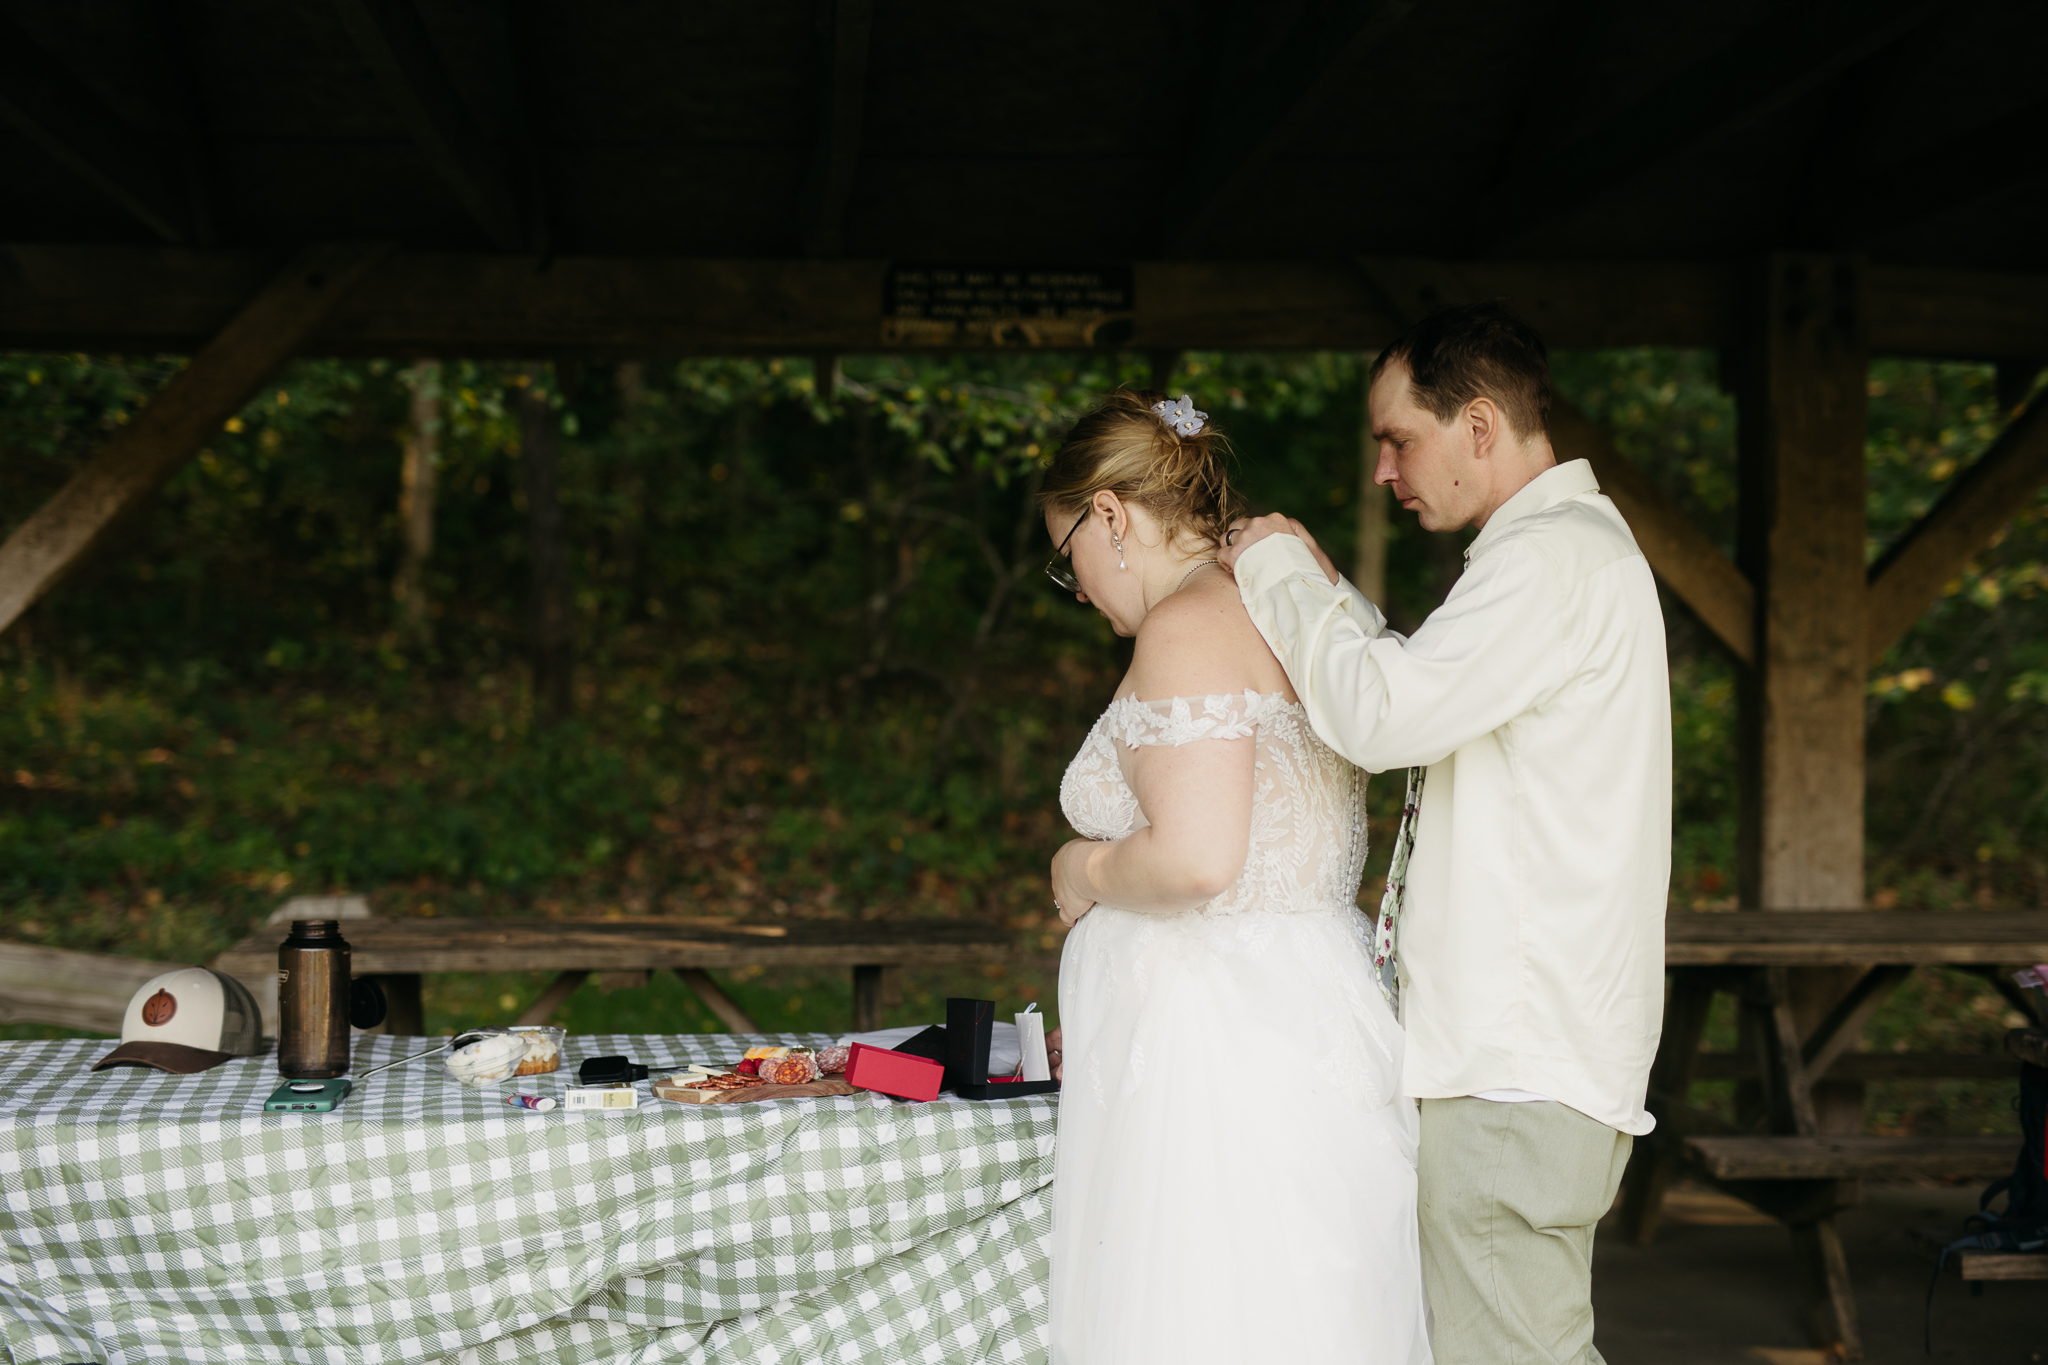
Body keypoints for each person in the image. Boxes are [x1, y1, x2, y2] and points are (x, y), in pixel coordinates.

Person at [1217, 302, 1671, 1365]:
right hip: (1522, 1051)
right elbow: (1424, 697)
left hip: (1512, 1060)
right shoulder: (1561, 555)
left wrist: (1277, 571)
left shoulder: (1549, 559)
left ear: (1476, 425)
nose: (1383, 469)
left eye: (1395, 438)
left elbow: (1382, 720)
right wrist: (1327, 593)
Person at [1039, 390, 1430, 1365]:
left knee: (1203, 1318)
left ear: (1112, 516)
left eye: (1067, 555)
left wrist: (1078, 865)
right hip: (1305, 1007)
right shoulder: (1296, 589)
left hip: (1211, 1045)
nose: (1078, 588)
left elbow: (1197, 859)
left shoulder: (1185, 627)